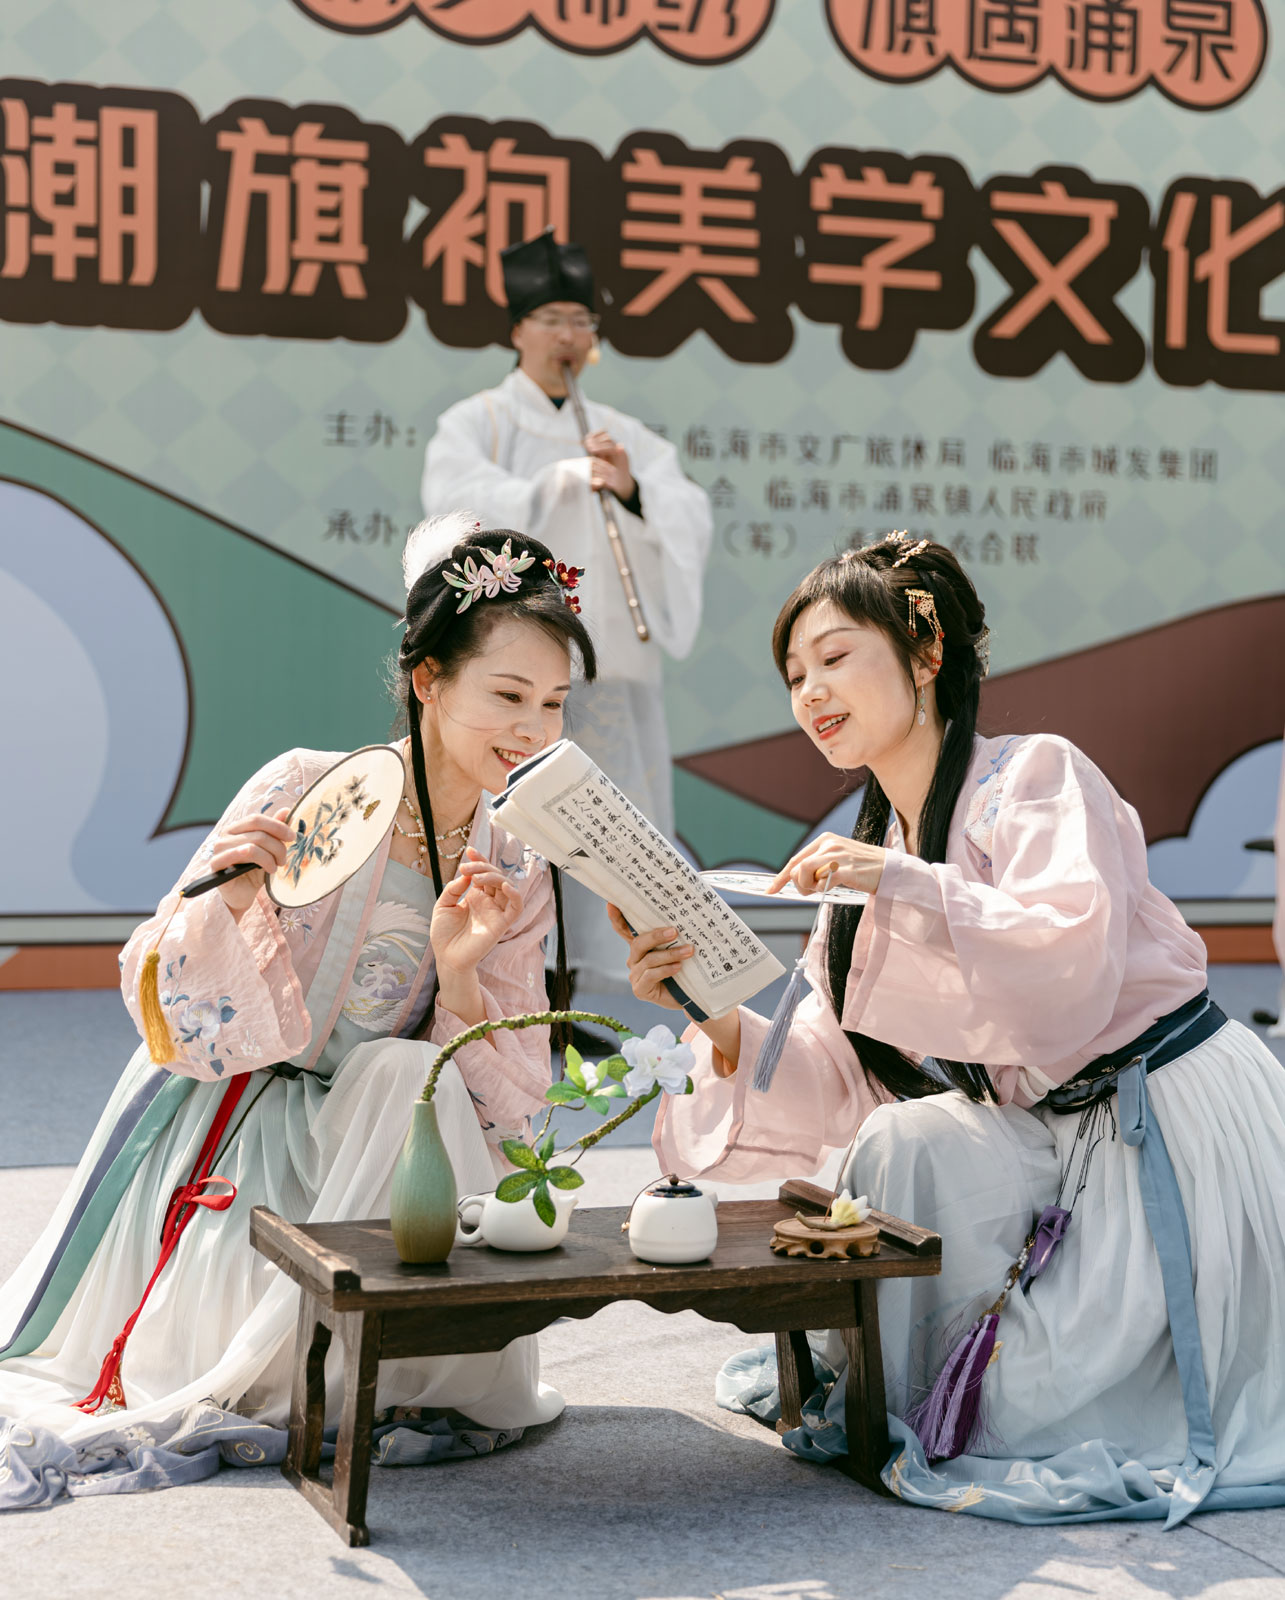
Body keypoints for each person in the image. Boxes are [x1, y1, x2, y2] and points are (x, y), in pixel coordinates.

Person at [611, 534, 1285, 1525]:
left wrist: (906, 881)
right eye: (795, 674)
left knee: (1027, 1416)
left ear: (926, 653)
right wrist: (701, 1004)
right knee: (899, 1138)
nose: (810, 692)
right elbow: (834, 1077)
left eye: (836, 657)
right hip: (1051, 1134)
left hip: (1167, 1122)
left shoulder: (1035, 777)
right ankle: (937, 1366)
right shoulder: (866, 851)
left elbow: (1070, 963)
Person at [0, 517, 597, 1509]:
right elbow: (157, 978)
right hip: (237, 1127)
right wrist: (232, 902)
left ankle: (389, 1344)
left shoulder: (518, 860)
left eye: (552, 703)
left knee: (407, 1072)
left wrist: (458, 978)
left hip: (377, 1147)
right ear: (428, 680)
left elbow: (516, 1087)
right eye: (506, 694)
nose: (530, 727)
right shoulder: (305, 786)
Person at [421, 231, 713, 993]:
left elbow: (685, 507)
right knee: (502, 811)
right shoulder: (478, 421)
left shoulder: (625, 434)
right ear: (518, 329)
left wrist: (630, 489)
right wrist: (554, 483)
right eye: (552, 317)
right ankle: (483, 969)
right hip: (510, 676)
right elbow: (452, 503)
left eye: (581, 321)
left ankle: (582, 979)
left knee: (599, 822)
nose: (568, 336)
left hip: (605, 671)